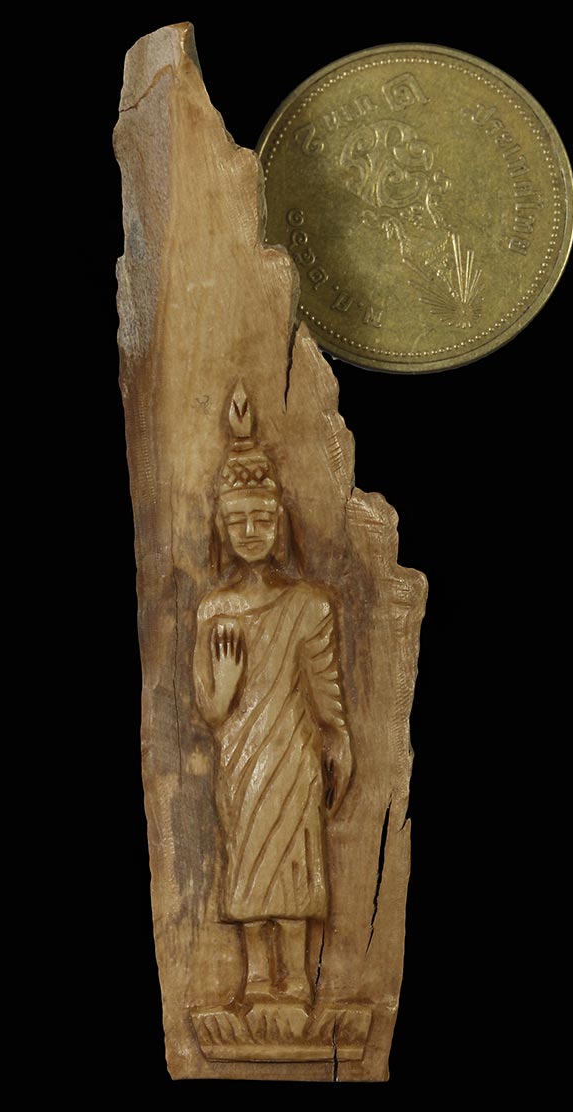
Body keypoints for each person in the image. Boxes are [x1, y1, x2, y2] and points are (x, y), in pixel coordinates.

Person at [193, 383, 352, 1006]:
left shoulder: (309, 605)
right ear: (222, 528)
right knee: (249, 863)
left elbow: (326, 689)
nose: (251, 532)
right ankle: (258, 980)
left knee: (296, 865)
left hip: (294, 752)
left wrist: (339, 740)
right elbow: (210, 711)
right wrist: (226, 686)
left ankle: (299, 983)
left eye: (262, 520)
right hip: (240, 757)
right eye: (238, 522)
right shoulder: (215, 609)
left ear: (279, 521)